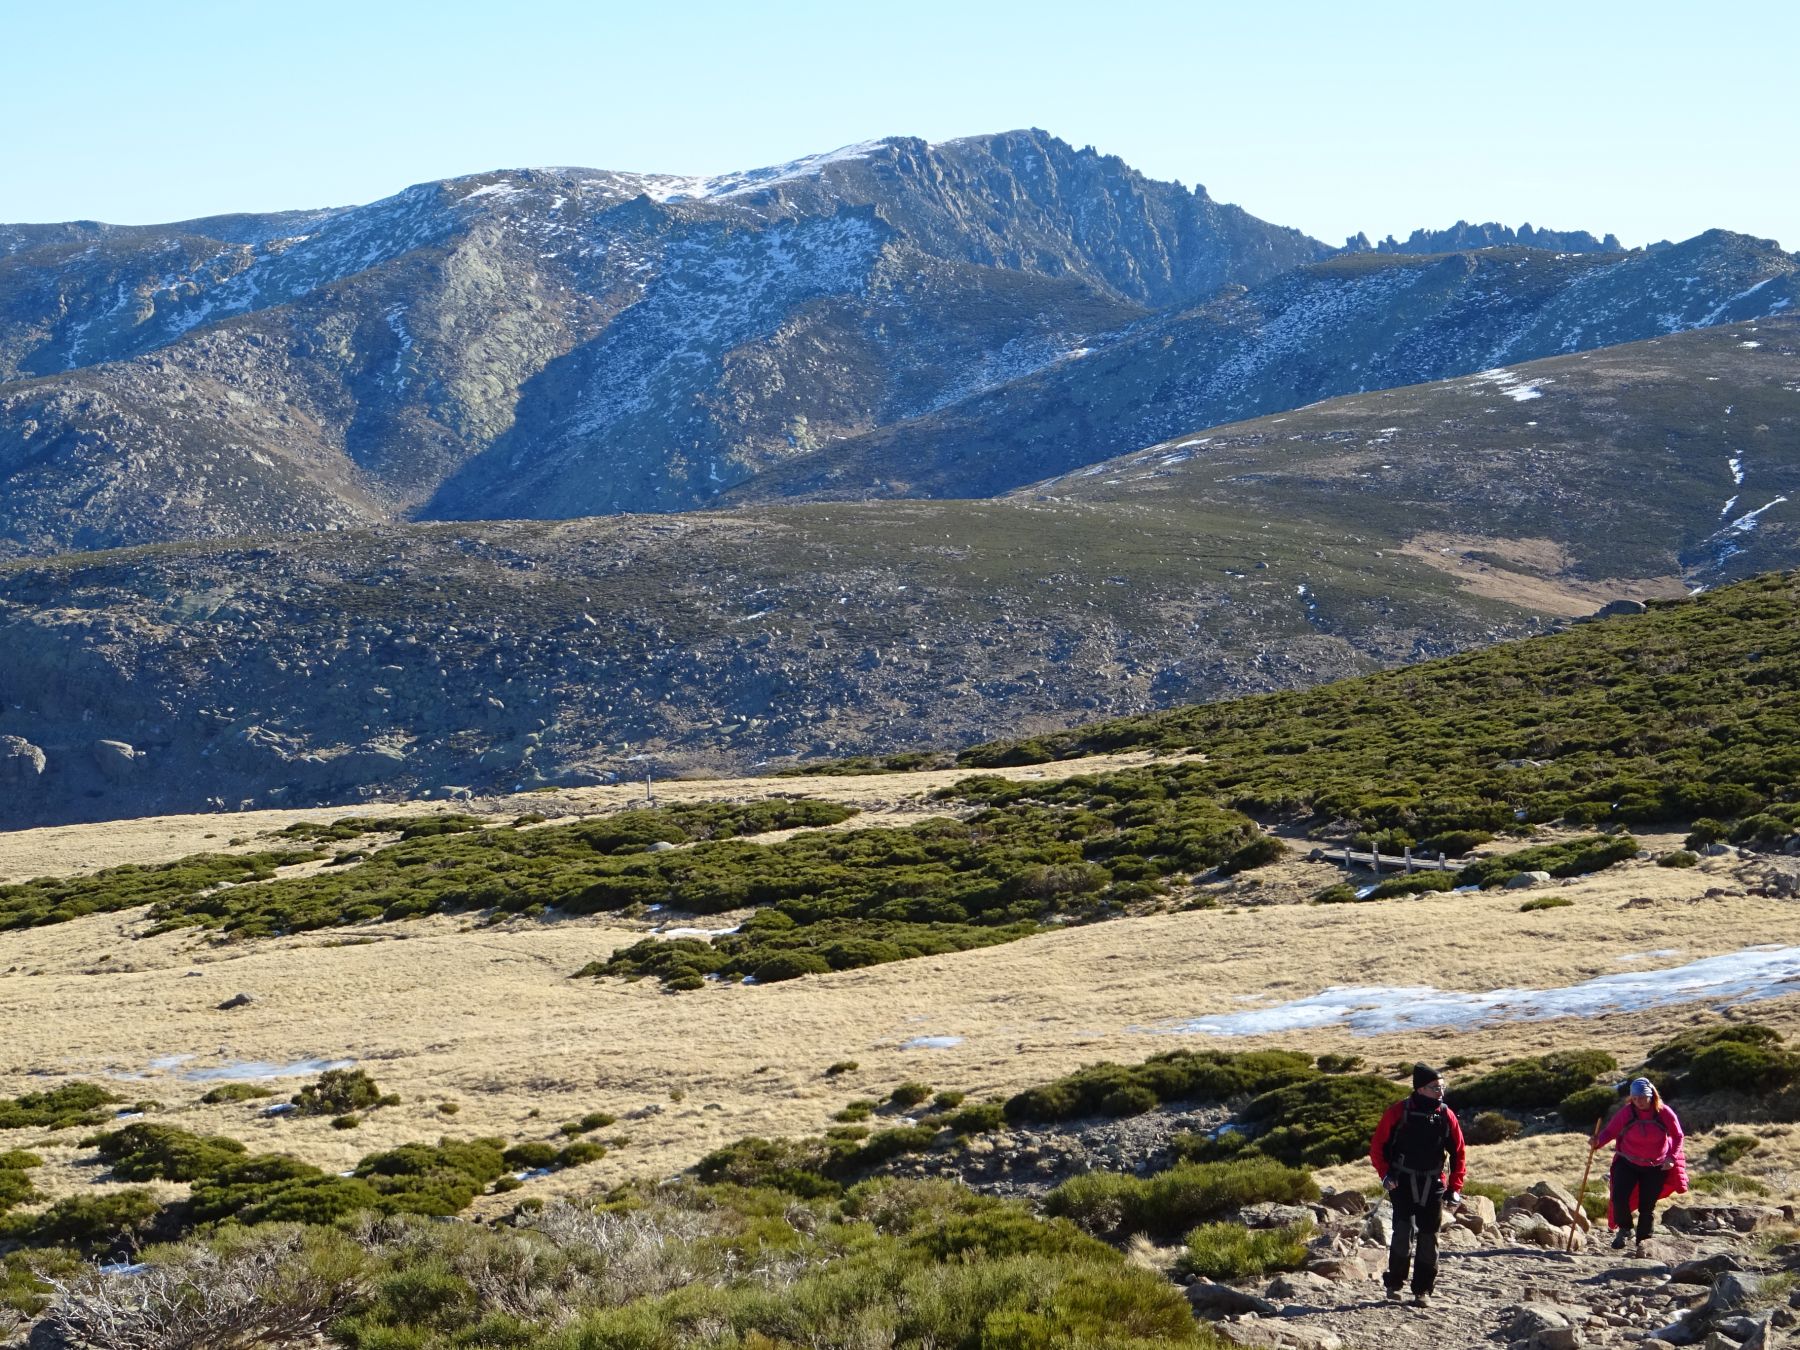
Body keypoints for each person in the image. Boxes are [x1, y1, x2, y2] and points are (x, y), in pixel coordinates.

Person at [1370, 1064, 1468, 1308]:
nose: (1441, 1092)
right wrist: (1385, 1175)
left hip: (1434, 1183)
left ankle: (1422, 1290)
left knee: (1428, 1237)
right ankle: (1394, 1284)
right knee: (1402, 1233)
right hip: (1402, 1182)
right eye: (1436, 1088)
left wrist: (1455, 1187)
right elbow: (1377, 1148)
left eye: (1442, 1087)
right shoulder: (1398, 1112)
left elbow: (1458, 1152)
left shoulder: (1446, 1115)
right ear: (1420, 1089)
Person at [1591, 1076, 1686, 1254]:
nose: (1638, 1102)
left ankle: (1643, 1244)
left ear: (1651, 1096)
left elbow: (1678, 1135)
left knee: (1646, 1207)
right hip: (1627, 1161)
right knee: (1618, 1197)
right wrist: (1598, 1142)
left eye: (1641, 1098)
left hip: (1656, 1166)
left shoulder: (1664, 1112)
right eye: (1634, 1098)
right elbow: (1611, 1131)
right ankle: (1625, 1229)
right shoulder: (1627, 1112)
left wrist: (1671, 1157)